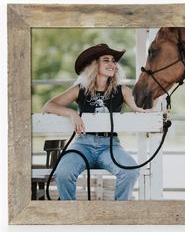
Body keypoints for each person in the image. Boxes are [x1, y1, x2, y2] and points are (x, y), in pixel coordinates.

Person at [43, 43, 148, 200]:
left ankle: (118, 214)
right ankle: (70, 216)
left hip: (110, 145)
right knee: (63, 172)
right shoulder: (81, 89)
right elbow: (48, 106)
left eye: (113, 61)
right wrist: (72, 113)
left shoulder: (121, 90)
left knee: (130, 171)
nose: (112, 64)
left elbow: (141, 107)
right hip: (83, 144)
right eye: (106, 60)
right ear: (94, 64)